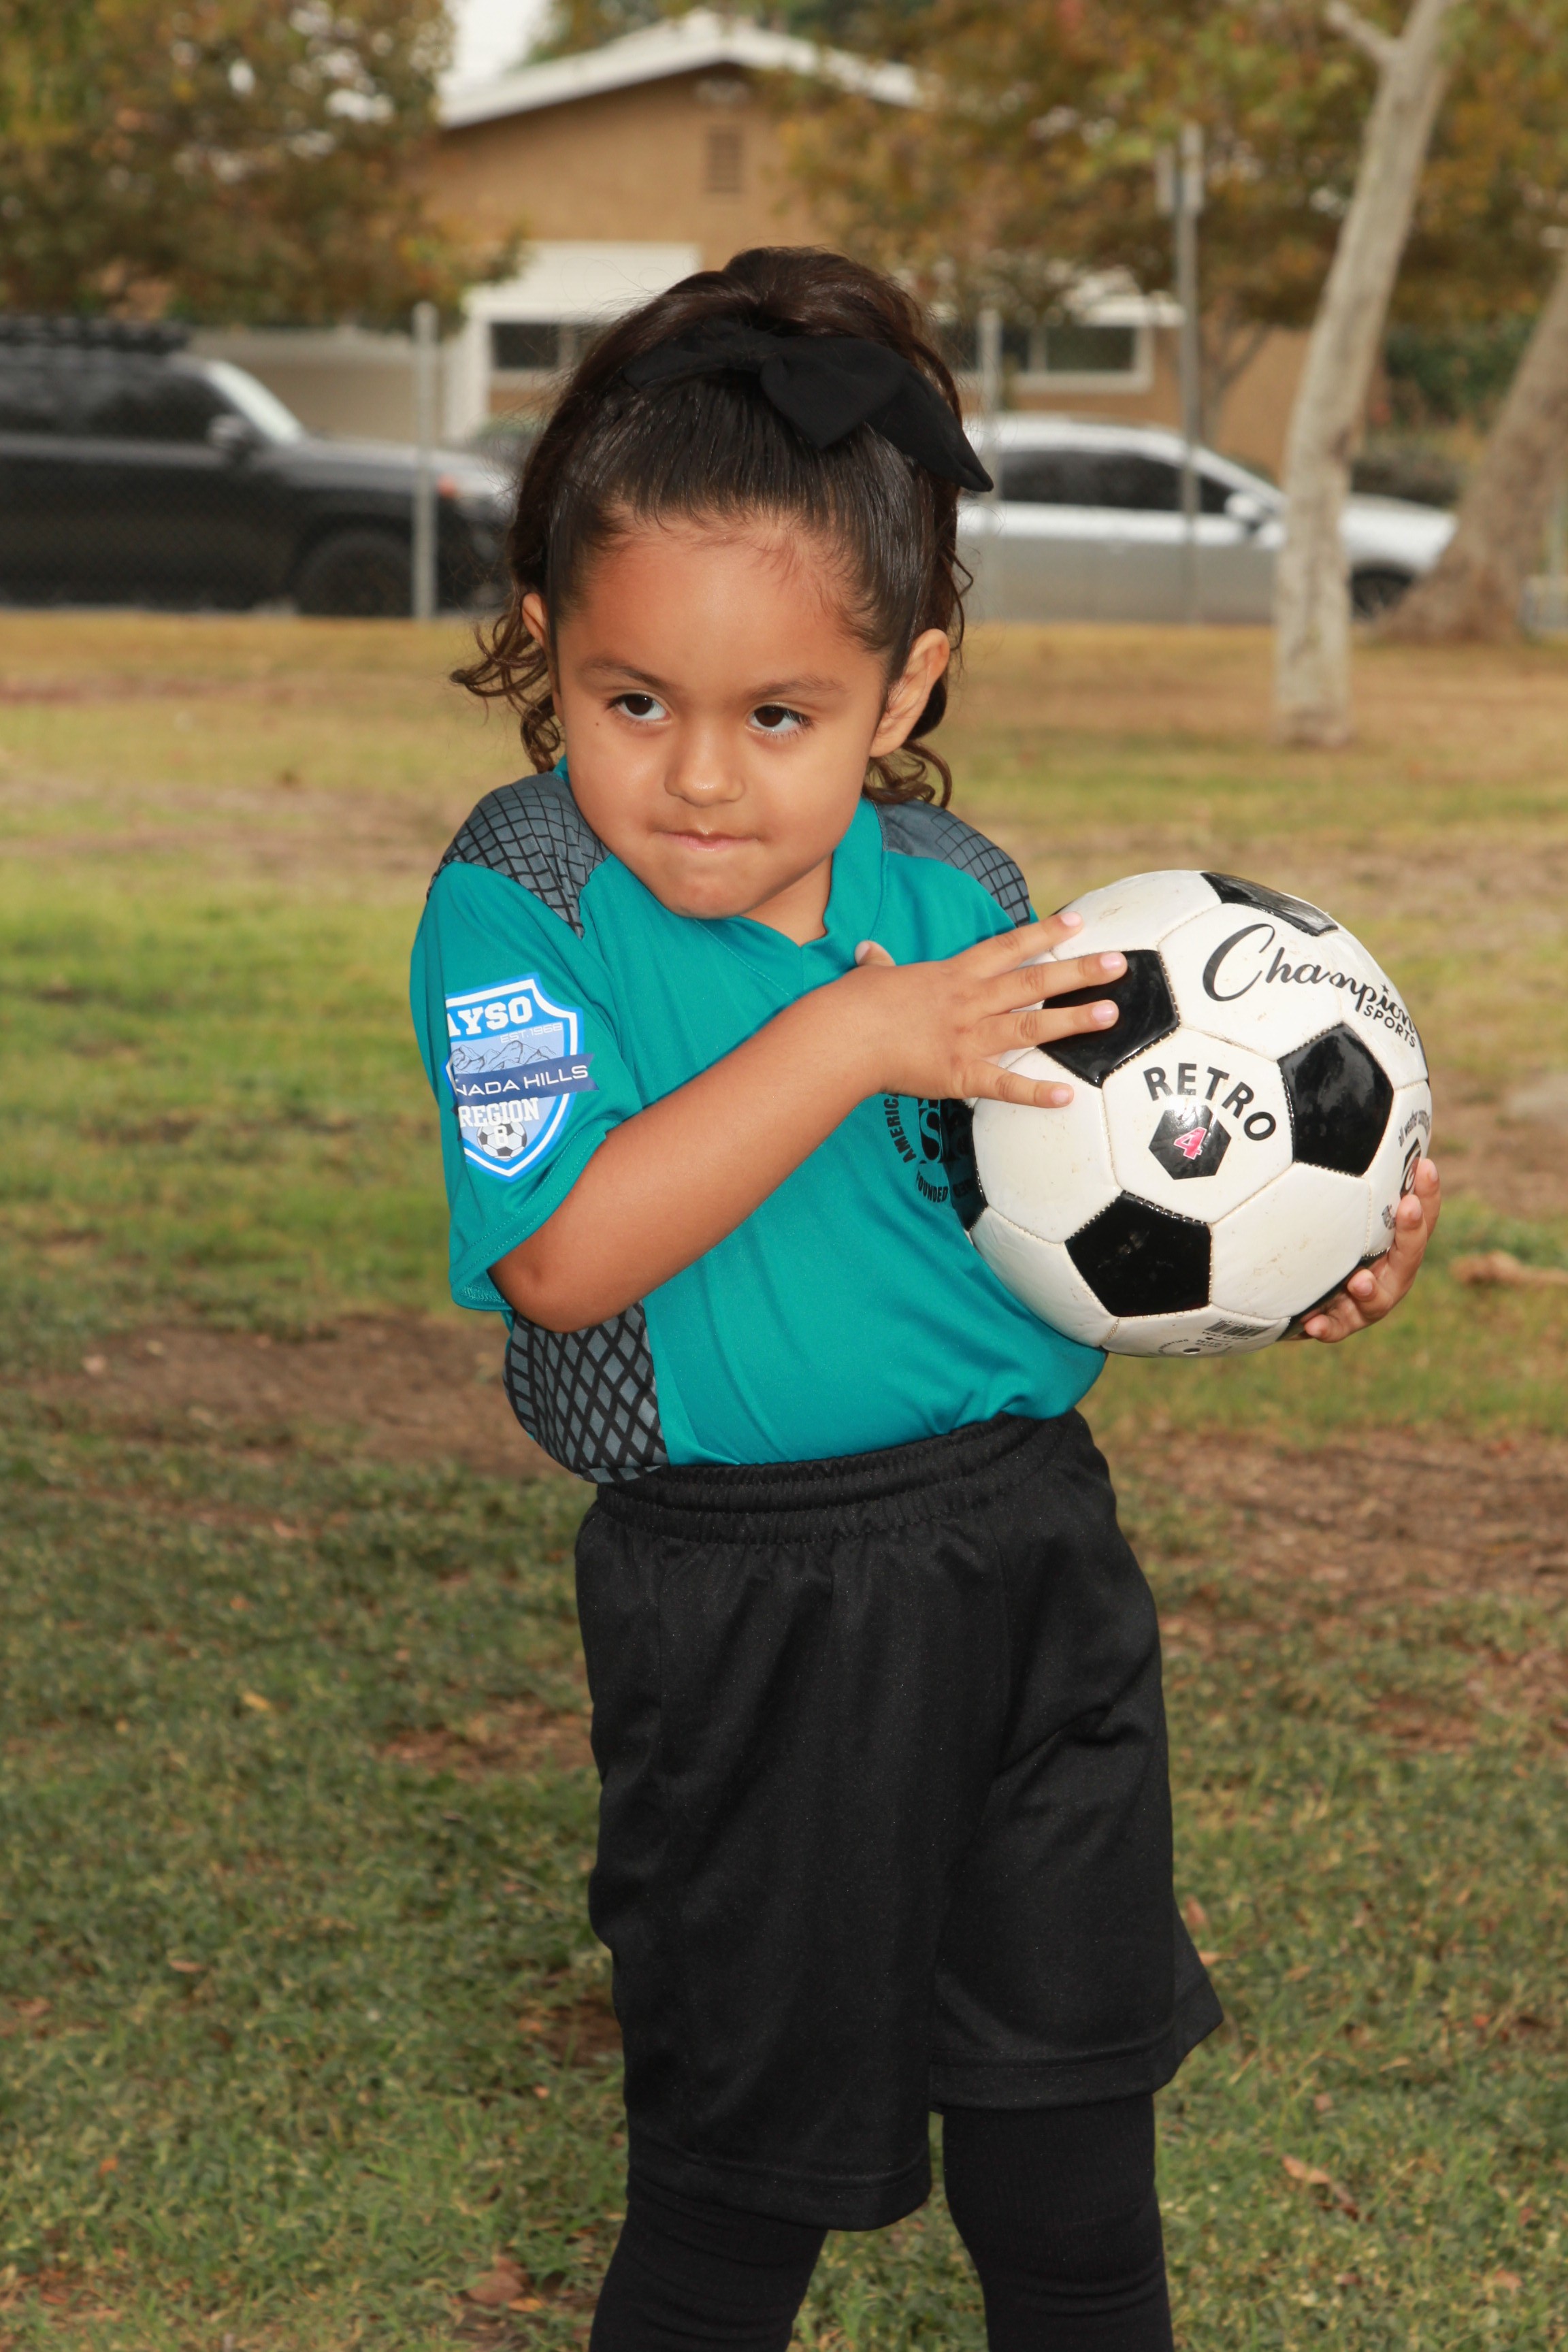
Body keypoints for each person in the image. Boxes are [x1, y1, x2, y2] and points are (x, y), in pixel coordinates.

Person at [410, 247, 1440, 2352]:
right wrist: (845, 1042)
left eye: (777, 716)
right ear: (545, 644)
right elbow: (563, 1257)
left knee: (1072, 2180)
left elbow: (1088, 1225)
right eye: (632, 702)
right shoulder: (522, 905)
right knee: (739, 2199)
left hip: (1033, 1565)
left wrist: (1305, 1265)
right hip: (750, 1608)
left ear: (903, 692)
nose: (700, 778)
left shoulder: (961, 903)